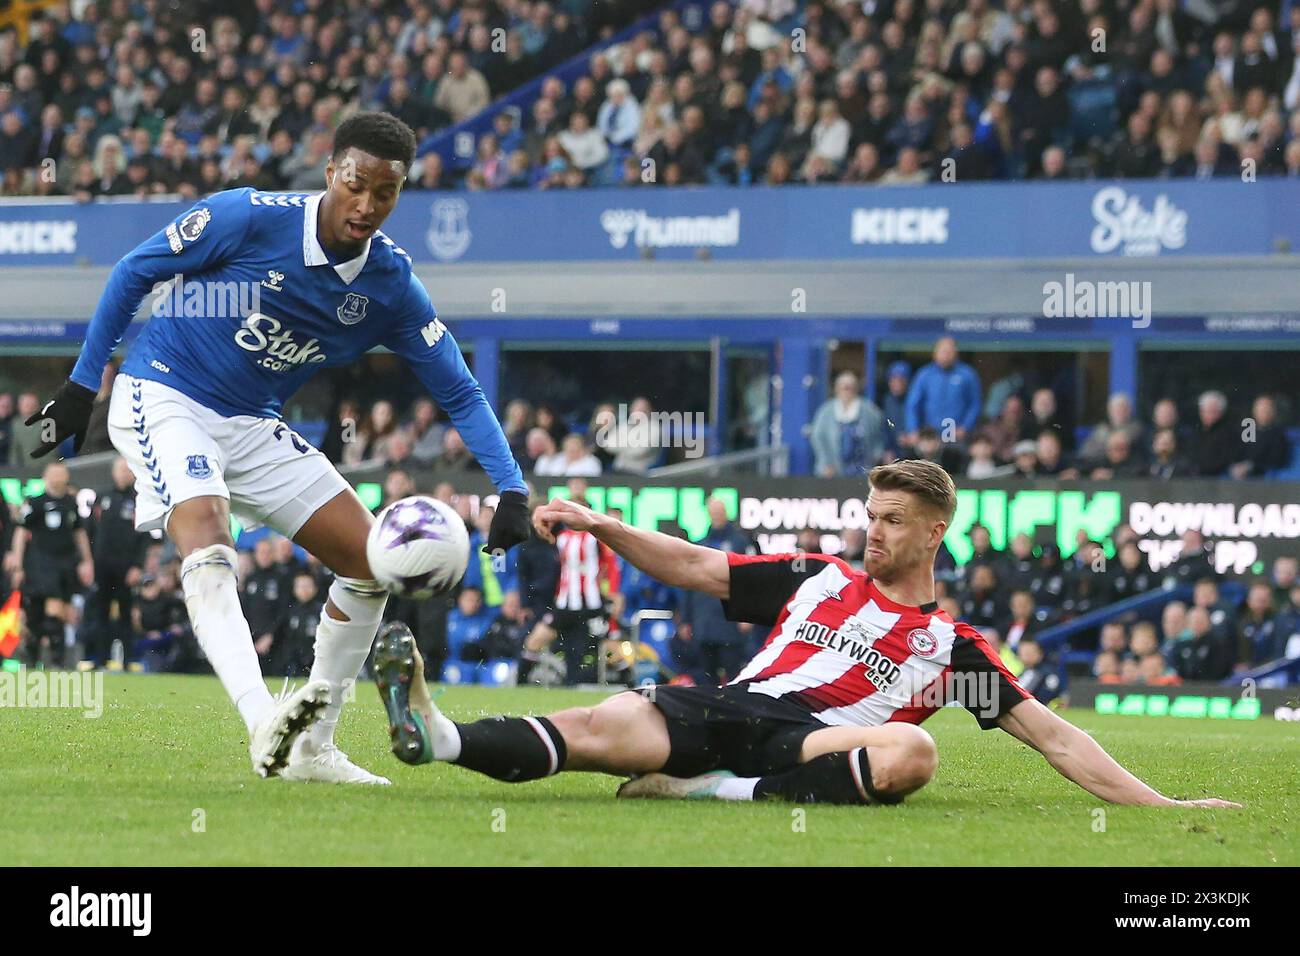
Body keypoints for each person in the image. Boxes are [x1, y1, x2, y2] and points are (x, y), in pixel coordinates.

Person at [24, 112, 531, 784]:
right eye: (356, 185)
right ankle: (262, 717)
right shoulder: (248, 218)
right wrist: (84, 386)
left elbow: (461, 392)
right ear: (330, 173)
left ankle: (312, 748)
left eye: (386, 193)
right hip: (165, 390)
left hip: (252, 421)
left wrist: (512, 487)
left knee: (370, 561)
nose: (367, 204)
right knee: (207, 535)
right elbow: (133, 270)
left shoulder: (390, 286)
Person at [372, 459, 1239, 810]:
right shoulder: (821, 576)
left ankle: (710, 792)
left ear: (936, 531)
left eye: (895, 521)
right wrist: (603, 525)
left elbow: (1054, 735)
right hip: (730, 705)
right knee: (598, 727)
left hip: (811, 745)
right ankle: (438, 737)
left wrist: (1162, 808)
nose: (875, 532)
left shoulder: (953, 648)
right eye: (872, 516)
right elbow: (697, 567)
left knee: (909, 754)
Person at [5, 461, 94, 668]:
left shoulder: (71, 503)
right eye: (53, 474)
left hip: (64, 565)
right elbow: (20, 532)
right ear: (45, 477)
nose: (57, 478)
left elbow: (79, 533)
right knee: (35, 614)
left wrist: (86, 561)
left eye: (61, 474)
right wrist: (17, 564)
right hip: (38, 565)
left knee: (58, 613)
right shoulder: (35, 503)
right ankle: (32, 658)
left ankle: (57, 660)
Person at [84, 457, 152, 667]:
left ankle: (128, 659)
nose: (123, 474)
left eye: (127, 470)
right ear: (113, 473)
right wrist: (88, 561)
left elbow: (145, 537)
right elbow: (88, 532)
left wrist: (138, 566)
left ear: (133, 473)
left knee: (125, 613)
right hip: (102, 566)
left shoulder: (140, 499)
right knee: (100, 611)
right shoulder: (101, 497)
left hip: (127, 566)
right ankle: (100, 659)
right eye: (120, 470)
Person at [903, 338, 981, 444]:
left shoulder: (967, 375)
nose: (946, 355)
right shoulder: (925, 375)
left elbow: (975, 404)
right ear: (935, 354)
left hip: (956, 435)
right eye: (943, 352)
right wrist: (913, 429)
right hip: (929, 434)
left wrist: (965, 427)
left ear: (956, 353)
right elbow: (913, 404)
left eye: (949, 352)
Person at [809, 370, 885, 477]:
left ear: (856, 389)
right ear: (837, 389)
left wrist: (877, 455)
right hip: (833, 471)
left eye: (850, 388)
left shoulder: (869, 410)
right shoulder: (825, 411)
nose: (847, 391)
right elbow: (817, 438)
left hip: (862, 469)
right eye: (844, 388)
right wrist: (826, 463)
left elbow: (879, 435)